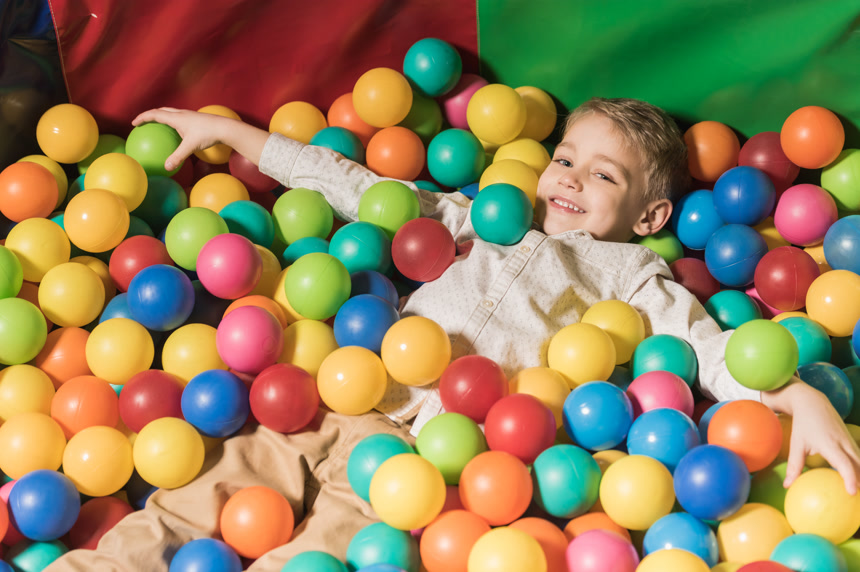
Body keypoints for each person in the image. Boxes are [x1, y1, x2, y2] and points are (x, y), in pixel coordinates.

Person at [48, 98, 860, 571]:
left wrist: (792, 397)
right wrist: (246, 142)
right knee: (193, 504)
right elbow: (362, 190)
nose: (572, 178)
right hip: (328, 400)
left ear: (649, 216)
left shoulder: (630, 278)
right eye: (567, 158)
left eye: (605, 175)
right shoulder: (479, 217)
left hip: (421, 462)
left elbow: (711, 350)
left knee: (322, 557)